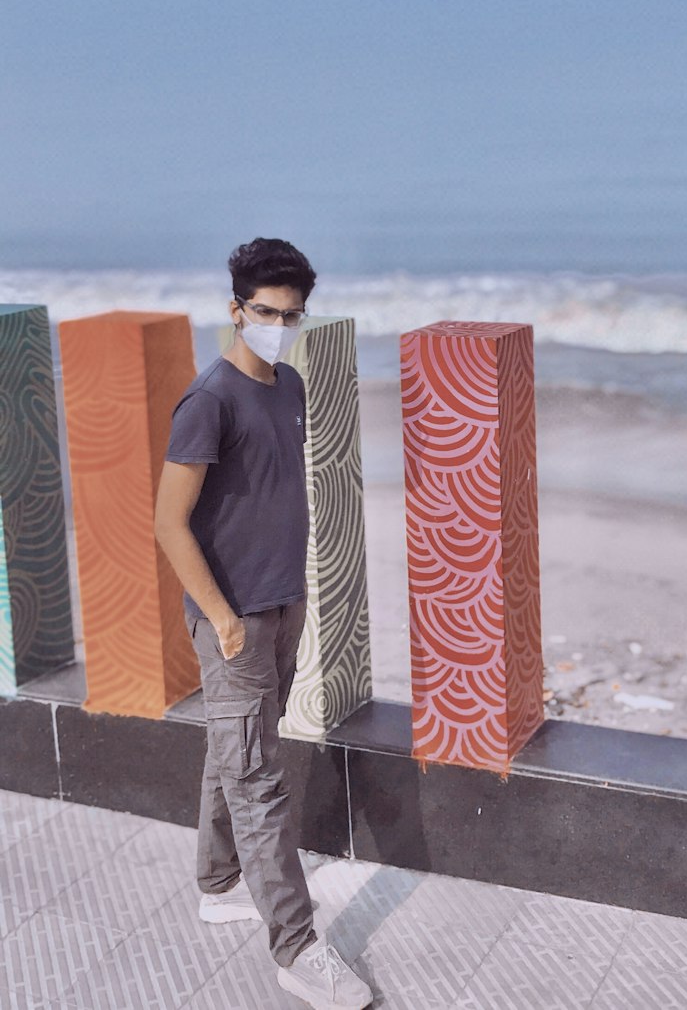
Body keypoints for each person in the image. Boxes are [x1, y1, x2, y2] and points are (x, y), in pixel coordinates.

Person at [154, 236, 372, 1010]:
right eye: (266, 312)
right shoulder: (208, 399)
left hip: (285, 600)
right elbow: (169, 521)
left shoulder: (288, 387)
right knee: (258, 775)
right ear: (236, 309)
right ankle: (296, 948)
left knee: (238, 743)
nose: (279, 324)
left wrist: (292, 596)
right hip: (234, 615)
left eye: (292, 314)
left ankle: (218, 881)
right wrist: (220, 617)